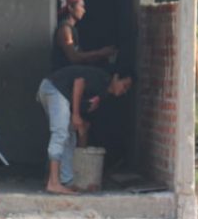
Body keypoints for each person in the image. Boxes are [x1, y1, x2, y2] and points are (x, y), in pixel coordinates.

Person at [36, 64, 132, 194]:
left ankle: (66, 181)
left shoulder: (103, 94)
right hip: (54, 88)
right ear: (116, 77)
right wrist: (75, 114)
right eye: (124, 85)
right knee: (61, 133)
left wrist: (81, 124)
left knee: (69, 136)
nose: (124, 91)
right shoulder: (101, 78)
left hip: (54, 90)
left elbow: (83, 122)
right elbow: (79, 82)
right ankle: (53, 183)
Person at [52, 0, 118, 71]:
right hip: (64, 77)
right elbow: (74, 58)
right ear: (70, 7)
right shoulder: (65, 30)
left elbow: (81, 57)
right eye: (81, 6)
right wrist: (100, 53)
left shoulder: (72, 29)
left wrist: (102, 55)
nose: (84, 10)